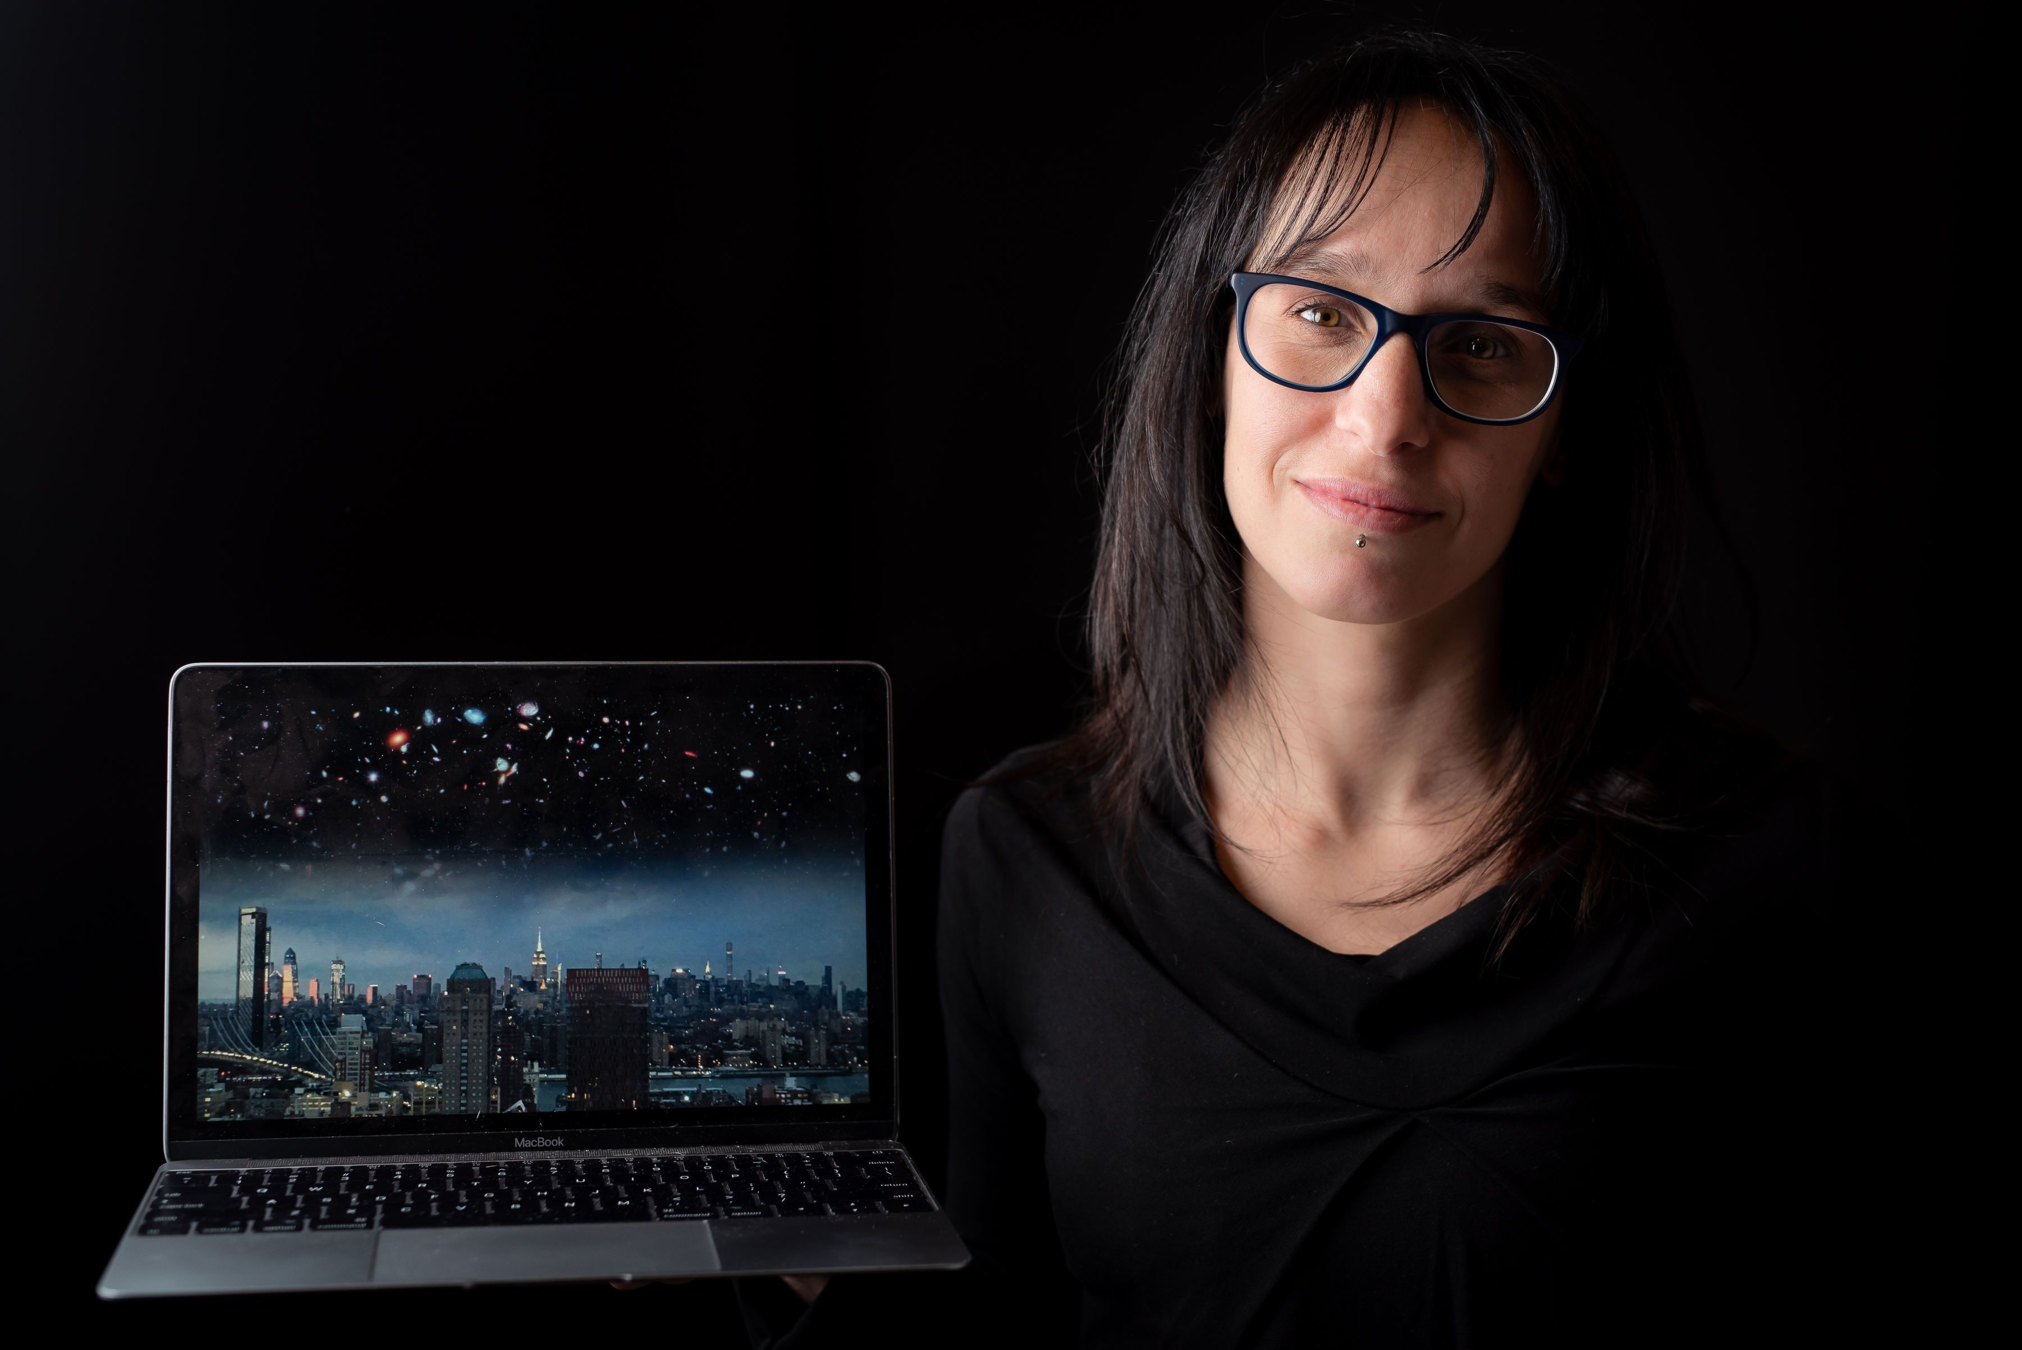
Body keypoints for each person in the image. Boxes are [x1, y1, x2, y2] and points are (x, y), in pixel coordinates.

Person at [740, 28, 1862, 1347]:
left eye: (1481, 343)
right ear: (1213, 353)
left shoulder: (1771, 861)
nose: (1386, 418)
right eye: (1322, 313)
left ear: (1565, 427)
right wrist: (771, 1251)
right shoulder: (1022, 857)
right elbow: (997, 1331)